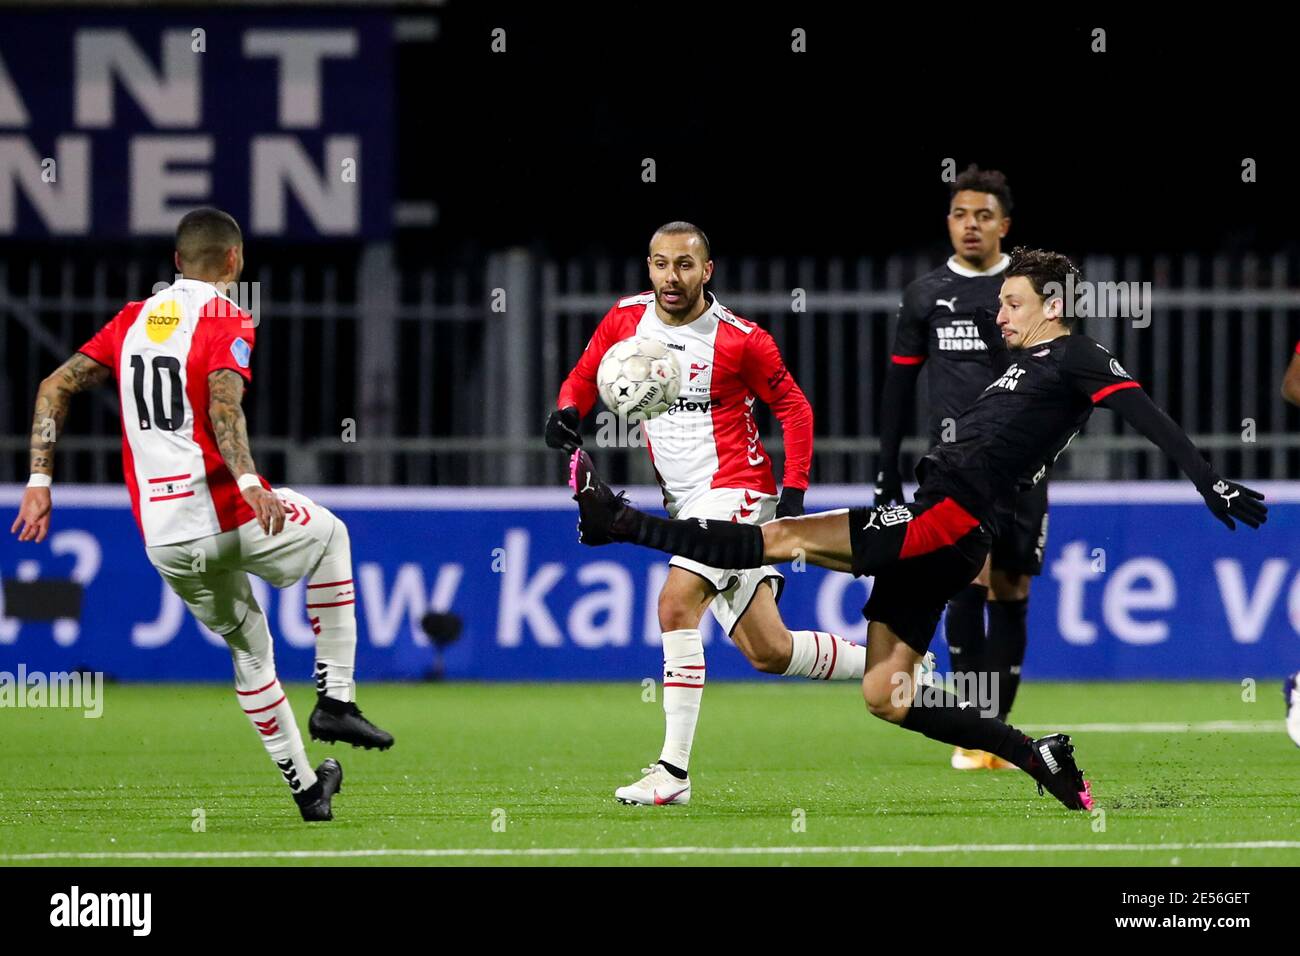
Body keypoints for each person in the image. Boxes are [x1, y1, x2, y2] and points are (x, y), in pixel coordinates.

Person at [569, 246, 1268, 811]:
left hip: (947, 517)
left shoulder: (1078, 357)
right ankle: (1038, 755)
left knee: (782, 537)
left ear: (1052, 306)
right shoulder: (1023, 365)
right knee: (885, 694)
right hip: (944, 517)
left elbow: (1147, 416)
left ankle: (625, 524)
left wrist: (1210, 479)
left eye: (1014, 303)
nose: (1001, 314)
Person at [11, 207, 393, 822]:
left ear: (176, 263)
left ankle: (307, 792)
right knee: (331, 537)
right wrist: (248, 481)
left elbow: (54, 385)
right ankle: (336, 699)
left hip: (164, 539)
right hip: (223, 509)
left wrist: (38, 479)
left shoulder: (132, 320)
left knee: (249, 650)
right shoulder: (227, 316)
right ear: (234, 262)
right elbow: (223, 406)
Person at [545, 221, 865, 806]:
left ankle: (672, 772)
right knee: (770, 650)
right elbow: (586, 375)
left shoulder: (741, 339)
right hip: (683, 500)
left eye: (685, 265)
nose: (673, 277)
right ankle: (895, 670)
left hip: (736, 488)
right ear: (649, 267)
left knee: (674, 602)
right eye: (662, 264)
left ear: (707, 271)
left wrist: (792, 494)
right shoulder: (624, 321)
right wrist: (568, 409)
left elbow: (793, 408)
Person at [876, 165, 1042, 769]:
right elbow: (899, 382)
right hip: (955, 467)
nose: (970, 226)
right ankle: (976, 732)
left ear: (1005, 225)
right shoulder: (925, 294)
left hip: (1023, 463)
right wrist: (885, 467)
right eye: (959, 214)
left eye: (983, 216)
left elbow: (1059, 372)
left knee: (1012, 584)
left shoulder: (1030, 292)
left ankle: (997, 725)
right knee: (965, 579)